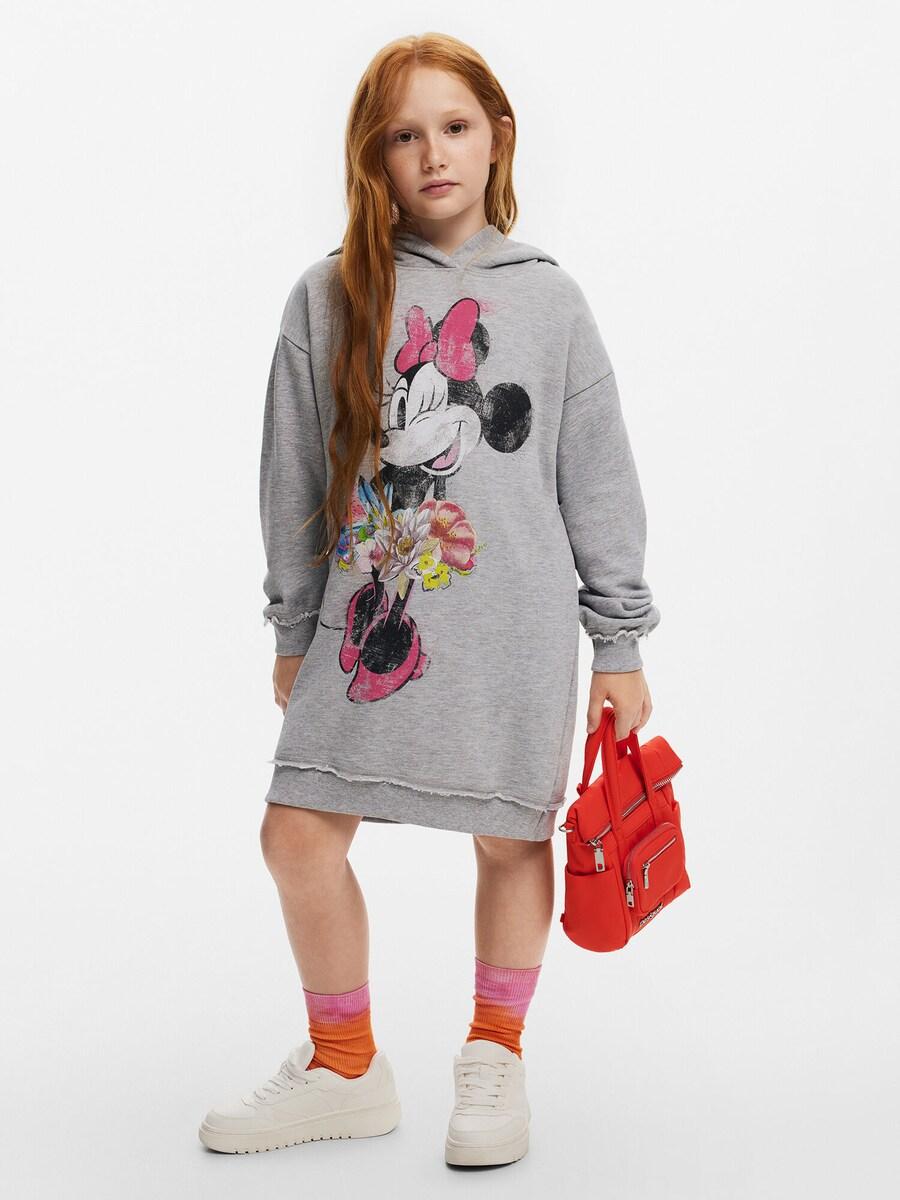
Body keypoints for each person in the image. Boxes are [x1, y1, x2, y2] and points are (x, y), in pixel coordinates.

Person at [198, 31, 660, 1167]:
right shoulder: (330, 293)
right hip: (365, 624)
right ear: (375, 157)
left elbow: (597, 477)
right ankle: (345, 1064)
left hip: (517, 631)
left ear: (498, 137)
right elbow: (292, 473)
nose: (433, 154)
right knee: (296, 833)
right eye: (404, 135)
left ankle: (495, 1056)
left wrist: (619, 641)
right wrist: (291, 624)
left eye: (454, 127)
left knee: (510, 837)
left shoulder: (550, 301)